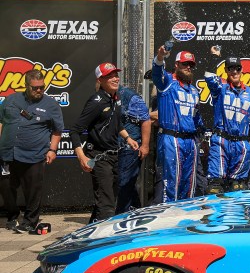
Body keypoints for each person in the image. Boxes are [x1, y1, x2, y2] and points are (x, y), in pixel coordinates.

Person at [71, 63, 139, 222]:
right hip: (99, 157)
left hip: (114, 155)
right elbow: (75, 130)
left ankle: (90, 234)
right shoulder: (96, 101)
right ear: (100, 80)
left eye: (116, 74)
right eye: (110, 76)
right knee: (107, 204)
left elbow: (116, 123)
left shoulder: (117, 97)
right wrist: (82, 157)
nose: (115, 78)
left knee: (106, 199)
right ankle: (103, 242)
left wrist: (128, 138)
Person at [0, 69, 63, 233]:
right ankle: (12, 216)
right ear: (26, 85)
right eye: (35, 87)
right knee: (6, 187)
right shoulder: (10, 100)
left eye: (42, 87)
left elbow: (57, 131)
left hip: (34, 154)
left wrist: (52, 150)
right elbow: (1, 122)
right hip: (8, 153)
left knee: (33, 191)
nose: (39, 90)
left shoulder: (51, 104)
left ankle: (29, 221)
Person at [151, 48, 205, 202]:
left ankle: (184, 217)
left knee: (189, 184)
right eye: (184, 64)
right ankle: (168, 217)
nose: (188, 67)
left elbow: (197, 118)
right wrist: (160, 57)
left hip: (191, 140)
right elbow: (156, 72)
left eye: (191, 65)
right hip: (171, 138)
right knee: (171, 182)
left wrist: (202, 138)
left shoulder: (194, 91)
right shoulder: (167, 82)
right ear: (176, 64)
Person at [204, 56, 250, 193]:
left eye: (237, 68)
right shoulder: (220, 88)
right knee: (215, 186)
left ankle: (235, 214)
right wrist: (214, 56)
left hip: (241, 144)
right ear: (226, 71)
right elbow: (208, 76)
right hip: (221, 141)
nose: (234, 72)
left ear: (242, 70)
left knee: (238, 187)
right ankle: (215, 214)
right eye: (230, 69)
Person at [116, 82, 152, 213]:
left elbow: (146, 120)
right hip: (116, 147)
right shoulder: (105, 96)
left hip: (131, 147)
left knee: (124, 184)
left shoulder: (130, 96)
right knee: (126, 184)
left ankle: (121, 217)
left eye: (114, 77)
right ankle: (137, 212)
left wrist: (145, 145)